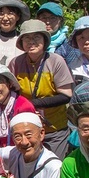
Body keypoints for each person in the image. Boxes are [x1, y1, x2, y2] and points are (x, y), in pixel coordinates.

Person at [8, 19, 74, 157]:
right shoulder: (16, 63)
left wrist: (32, 104)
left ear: (44, 40)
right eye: (27, 38)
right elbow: (11, 93)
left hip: (55, 128)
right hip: (27, 129)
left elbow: (66, 95)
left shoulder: (56, 61)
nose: (31, 41)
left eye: (36, 37)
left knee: (55, 168)